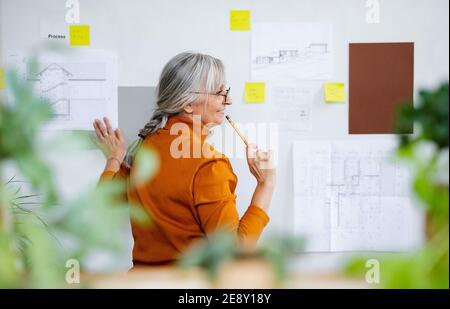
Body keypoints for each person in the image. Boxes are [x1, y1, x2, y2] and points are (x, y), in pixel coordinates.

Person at [92, 52, 276, 266]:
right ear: (188, 104)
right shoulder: (209, 164)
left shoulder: (145, 147)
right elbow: (232, 253)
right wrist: (266, 184)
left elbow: (103, 202)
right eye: (219, 93)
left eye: (227, 92)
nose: (229, 100)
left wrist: (115, 159)